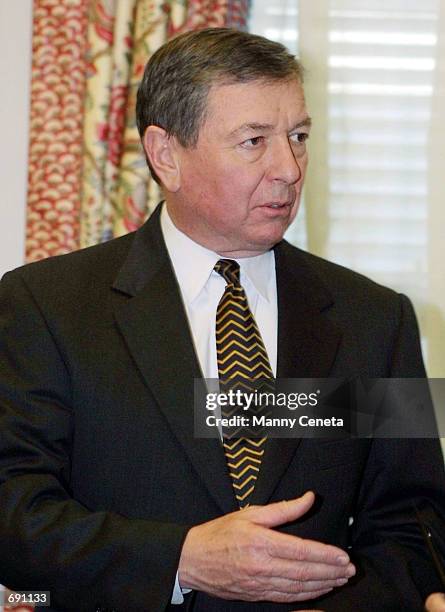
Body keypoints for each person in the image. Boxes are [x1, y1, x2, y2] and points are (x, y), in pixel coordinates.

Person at [0, 27, 444, 612]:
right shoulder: (45, 304)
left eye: (298, 136)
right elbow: (15, 510)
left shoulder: (375, 319)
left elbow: (416, 525)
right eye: (254, 140)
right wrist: (180, 559)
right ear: (166, 155)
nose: (289, 168)